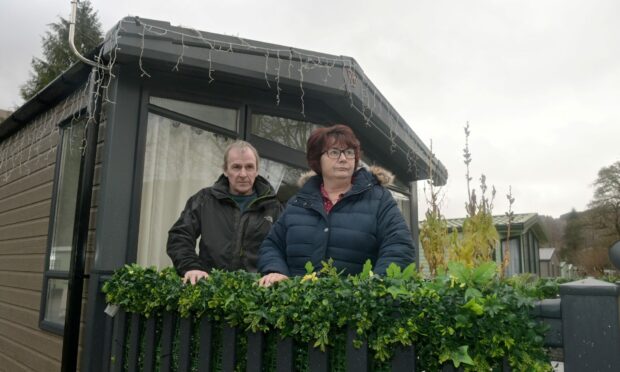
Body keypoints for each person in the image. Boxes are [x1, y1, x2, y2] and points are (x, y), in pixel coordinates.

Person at [258, 124, 414, 286]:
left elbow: (399, 246)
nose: (343, 158)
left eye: (349, 152)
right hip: (299, 306)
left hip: (358, 307)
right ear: (317, 160)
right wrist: (275, 270)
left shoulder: (379, 199)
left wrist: (375, 288)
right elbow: (272, 245)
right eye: (334, 152)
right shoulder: (297, 204)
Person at [167, 140, 283, 284]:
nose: (243, 174)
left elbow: (283, 248)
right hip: (209, 290)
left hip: (256, 294)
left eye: (249, 167)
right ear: (225, 170)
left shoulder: (273, 207)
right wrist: (191, 267)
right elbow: (179, 236)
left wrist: (275, 271)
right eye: (236, 167)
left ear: (257, 170)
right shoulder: (204, 200)